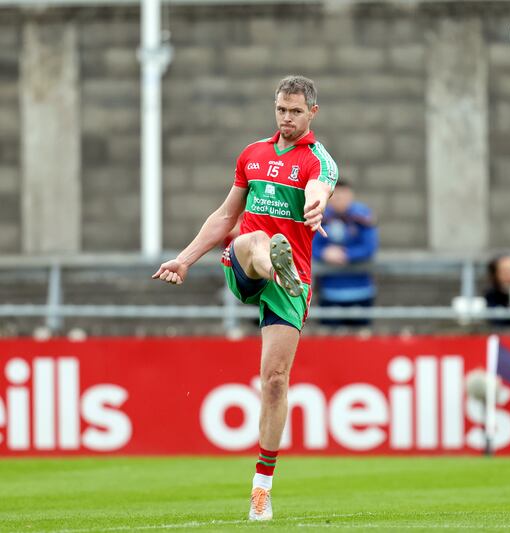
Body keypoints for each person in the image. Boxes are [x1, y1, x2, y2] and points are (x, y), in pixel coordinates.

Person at [152, 75, 337, 522]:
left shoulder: (318, 160)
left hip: (293, 285)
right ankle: (275, 263)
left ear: (312, 112)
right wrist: (184, 259)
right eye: (280, 110)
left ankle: (261, 487)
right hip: (244, 264)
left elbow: (320, 189)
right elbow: (224, 216)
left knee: (274, 380)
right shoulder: (252, 155)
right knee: (256, 240)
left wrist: (315, 205)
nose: (286, 118)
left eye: (295, 111)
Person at [312, 179, 379, 326]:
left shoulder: (362, 216)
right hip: (330, 291)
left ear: (350, 195)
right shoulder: (320, 216)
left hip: (361, 291)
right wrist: (324, 253)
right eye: (334, 195)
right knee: (330, 344)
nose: (338, 199)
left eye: (342, 195)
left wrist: (346, 254)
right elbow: (311, 246)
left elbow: (369, 247)